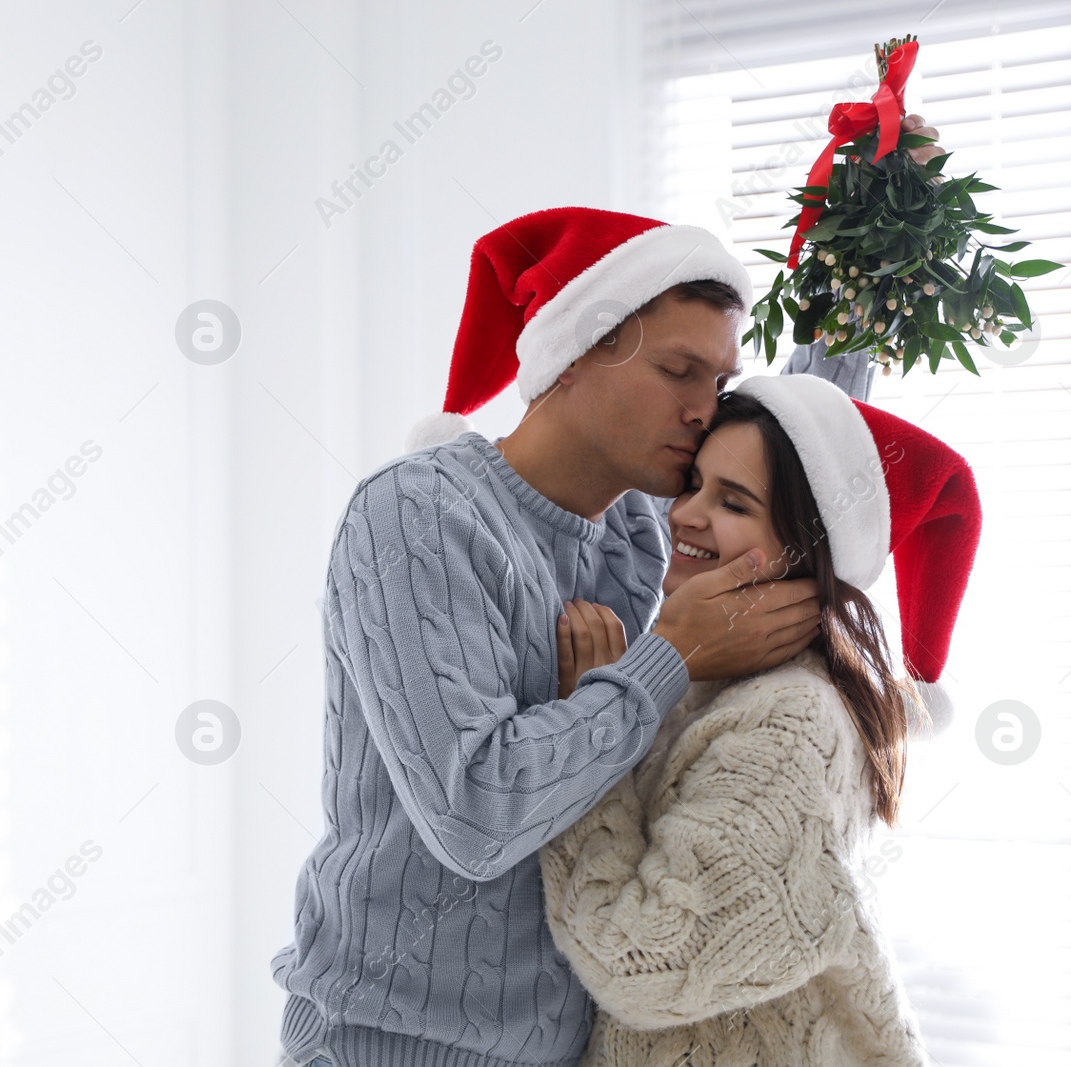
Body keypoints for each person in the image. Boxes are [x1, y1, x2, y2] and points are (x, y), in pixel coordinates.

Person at [269, 207, 822, 1067]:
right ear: (575, 353)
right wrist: (666, 656)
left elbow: (797, 490)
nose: (703, 411)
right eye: (680, 371)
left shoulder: (641, 528)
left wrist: (869, 252)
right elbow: (476, 812)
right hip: (387, 1045)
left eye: (718, 382)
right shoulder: (416, 517)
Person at [541, 373, 982, 1066]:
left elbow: (641, 960)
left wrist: (587, 724)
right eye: (694, 484)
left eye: (733, 502)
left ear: (803, 554)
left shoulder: (791, 724)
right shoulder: (703, 683)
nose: (685, 513)